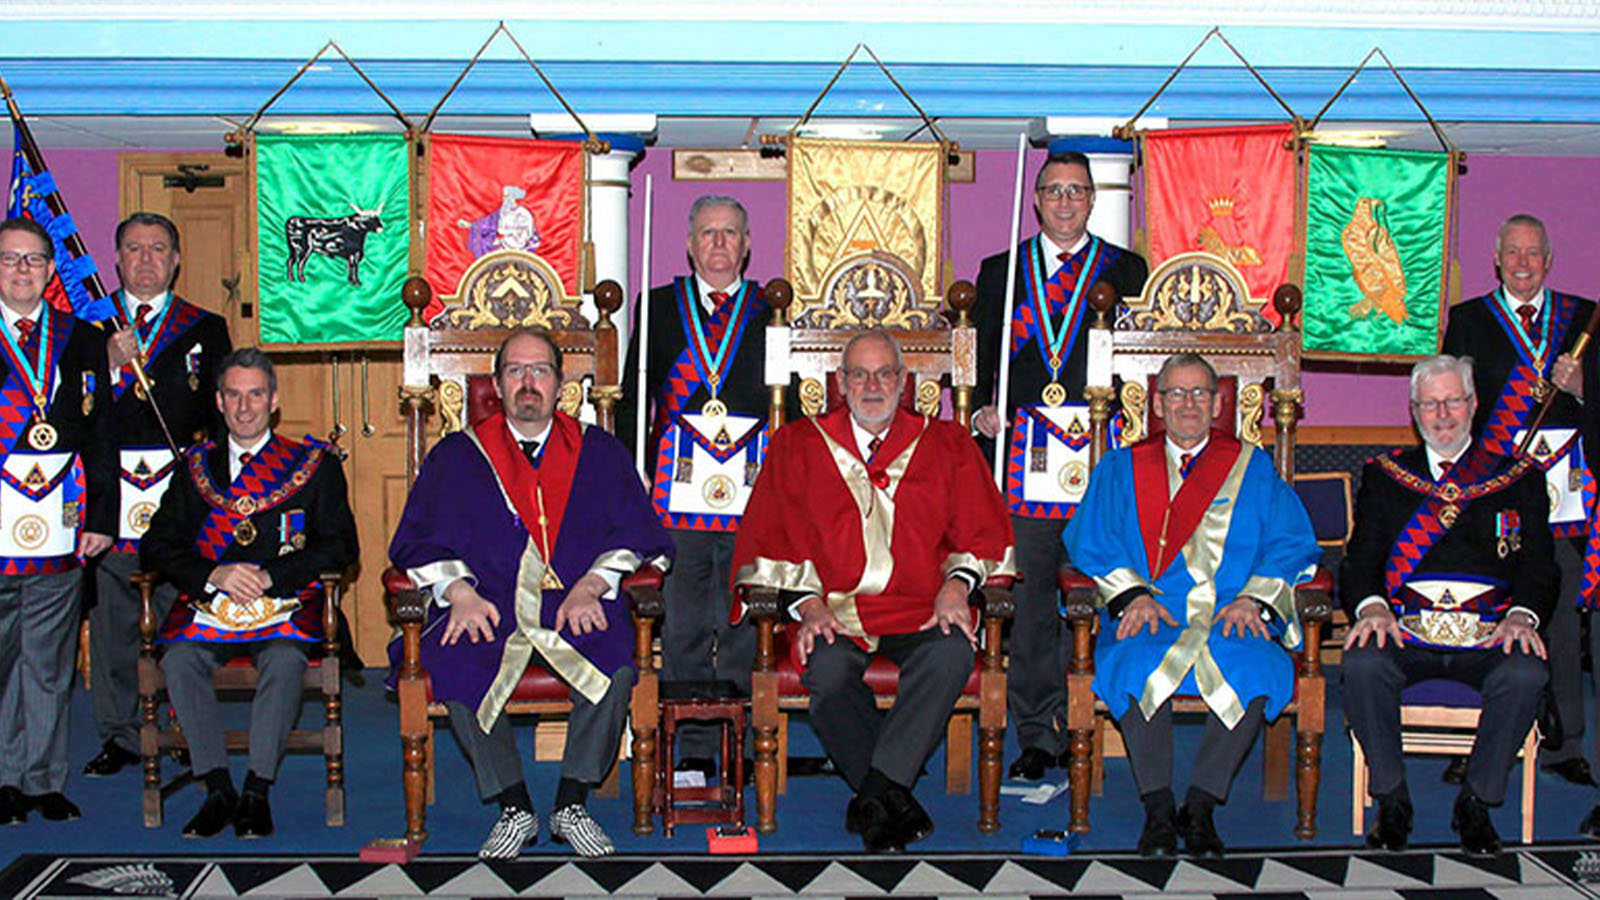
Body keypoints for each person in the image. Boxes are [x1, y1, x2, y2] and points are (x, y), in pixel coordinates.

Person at [389, 328, 672, 859]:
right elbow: (416, 539)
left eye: (539, 370)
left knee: (617, 658)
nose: (527, 382)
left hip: (573, 601)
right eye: (515, 371)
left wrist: (593, 584)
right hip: (489, 604)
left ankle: (571, 803)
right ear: (496, 384)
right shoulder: (457, 456)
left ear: (560, 384)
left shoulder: (600, 452)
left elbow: (639, 533)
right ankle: (514, 807)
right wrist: (458, 591)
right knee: (452, 656)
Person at [731, 329, 1015, 853]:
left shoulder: (947, 442)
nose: (872, 385)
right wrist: (809, 605)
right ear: (840, 383)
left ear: (903, 382)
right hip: (833, 608)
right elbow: (770, 537)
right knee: (829, 669)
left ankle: (876, 795)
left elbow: (982, 530)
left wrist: (957, 587)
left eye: (885, 373)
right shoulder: (798, 444)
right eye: (858, 374)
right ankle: (889, 794)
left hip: (922, 606)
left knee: (953, 652)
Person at [1063, 353, 1319, 858]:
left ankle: (1200, 804)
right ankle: (1158, 809)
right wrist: (1131, 594)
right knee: (1134, 662)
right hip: (1153, 609)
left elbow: (1292, 543)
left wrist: (1254, 599)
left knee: (1255, 666)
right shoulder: (1122, 468)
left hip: (1231, 615)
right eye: (1176, 393)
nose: (1187, 404)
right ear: (1157, 404)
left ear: (1219, 403)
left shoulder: (1253, 467)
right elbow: (1091, 541)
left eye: (1199, 393)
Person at [973, 151, 1149, 782]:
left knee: (1106, 586)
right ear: (1037, 198)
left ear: (1093, 201)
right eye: (1054, 191)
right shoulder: (1002, 271)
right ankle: (1034, 728)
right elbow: (975, 364)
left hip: (1101, 455)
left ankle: (1097, 715)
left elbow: (1140, 362)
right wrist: (981, 411)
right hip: (1026, 455)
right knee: (1034, 595)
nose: (1066, 202)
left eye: (1078, 191)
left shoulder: (1126, 268)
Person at [139, 347, 357, 838]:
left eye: (254, 395)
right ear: (217, 401)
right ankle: (217, 786)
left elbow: (342, 545)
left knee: (284, 662)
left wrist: (268, 577)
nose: (243, 407)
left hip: (285, 609)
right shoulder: (194, 468)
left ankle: (257, 789)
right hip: (211, 610)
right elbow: (156, 545)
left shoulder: (313, 465)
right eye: (233, 395)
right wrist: (213, 574)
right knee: (177, 661)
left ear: (273, 401)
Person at [1342, 354, 1554, 857]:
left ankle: (1477, 802)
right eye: (1430, 404)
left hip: (1490, 634)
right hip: (1407, 632)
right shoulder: (1387, 475)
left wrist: (1523, 614)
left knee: (1526, 673)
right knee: (1363, 662)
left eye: (1453, 401)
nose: (1442, 414)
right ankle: (1392, 798)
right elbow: (1361, 559)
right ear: (1414, 411)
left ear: (1473, 403)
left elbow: (1541, 564)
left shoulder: (1517, 476)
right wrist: (1372, 607)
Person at [617, 195, 775, 778]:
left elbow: (783, 406)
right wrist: (635, 473)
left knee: (736, 624)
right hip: (679, 491)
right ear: (689, 243)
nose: (717, 244)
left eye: (729, 233)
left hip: (750, 492)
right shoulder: (658, 307)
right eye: (707, 233)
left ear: (746, 244)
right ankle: (693, 749)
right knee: (683, 626)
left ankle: (736, 741)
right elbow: (639, 400)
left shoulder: (770, 311)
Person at [1441, 214, 1599, 792]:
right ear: (1497, 258)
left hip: (1566, 493)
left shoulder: (1584, 318)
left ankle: (1565, 744)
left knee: (1556, 612)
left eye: (1534, 253)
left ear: (1549, 259)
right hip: (1496, 490)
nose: (1524, 263)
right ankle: (1478, 742)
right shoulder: (1468, 322)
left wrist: (1582, 385)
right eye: (1514, 252)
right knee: (1487, 613)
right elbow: (1453, 410)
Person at [82, 212, 232, 780]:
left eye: (158, 249)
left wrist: (219, 495)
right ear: (116, 259)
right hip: (111, 493)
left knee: (181, 616)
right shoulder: (86, 329)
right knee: (116, 616)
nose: (146, 260)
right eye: (134, 249)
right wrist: (110, 366)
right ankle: (120, 734)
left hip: (178, 494)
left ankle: (183, 727)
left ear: (175, 260)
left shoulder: (205, 327)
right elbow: (73, 407)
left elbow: (221, 421)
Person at [0, 217, 114, 826]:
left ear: (50, 271)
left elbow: (102, 435)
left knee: (48, 662)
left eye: (34, 260)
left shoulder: (81, 339)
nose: (22, 270)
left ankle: (41, 782)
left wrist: (102, 516)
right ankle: (2, 780)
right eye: (11, 259)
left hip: (59, 523)